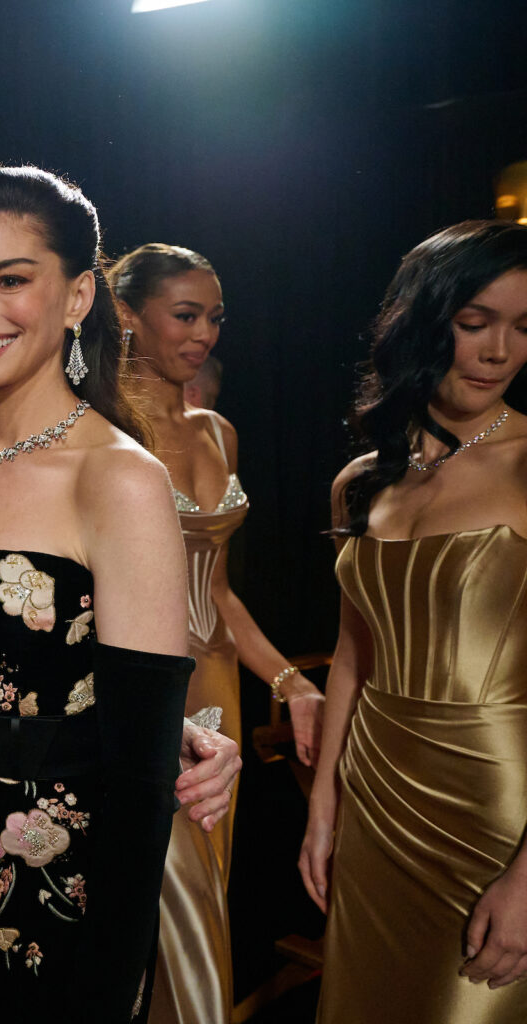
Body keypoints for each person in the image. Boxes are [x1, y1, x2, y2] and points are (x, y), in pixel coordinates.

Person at [0, 167, 239, 1022]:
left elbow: (139, 775)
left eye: (12, 280)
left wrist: (105, 986)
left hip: (50, 901)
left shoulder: (118, 478)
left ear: (80, 294)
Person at [299, 220, 527, 1021]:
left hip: (495, 807)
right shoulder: (362, 481)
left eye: (523, 327)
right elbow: (352, 656)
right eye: (475, 322)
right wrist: (323, 806)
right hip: (375, 795)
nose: (499, 350)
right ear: (422, 321)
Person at [110, 243, 325, 1024]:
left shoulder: (218, 432)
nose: (204, 335)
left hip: (221, 690)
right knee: (174, 906)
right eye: (186, 314)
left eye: (216, 318)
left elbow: (220, 590)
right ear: (128, 316)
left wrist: (291, 683)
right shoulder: (102, 435)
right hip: (146, 688)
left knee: (205, 894)